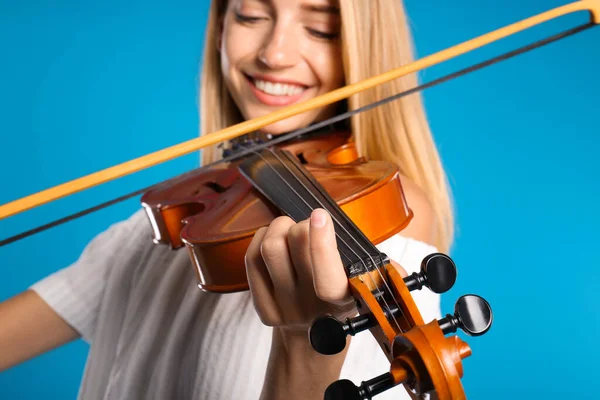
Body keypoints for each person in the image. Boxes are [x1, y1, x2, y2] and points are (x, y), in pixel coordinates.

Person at [0, 0, 455, 399]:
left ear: (364, 47)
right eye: (251, 15)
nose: (273, 54)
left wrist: (305, 343)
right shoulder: (181, 220)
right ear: (220, 26)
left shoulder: (384, 227)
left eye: (321, 28)